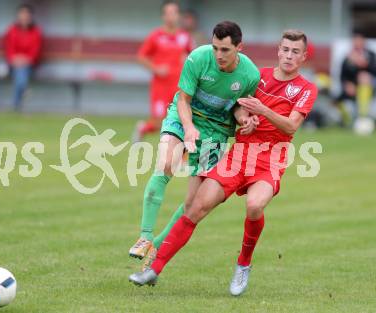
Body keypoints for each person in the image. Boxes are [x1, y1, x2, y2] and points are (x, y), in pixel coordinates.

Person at [129, 30, 318, 297]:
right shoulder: (256, 77)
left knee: (254, 205)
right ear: (278, 50)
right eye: (285, 49)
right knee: (195, 207)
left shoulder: (307, 89)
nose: (289, 56)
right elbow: (237, 107)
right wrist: (246, 120)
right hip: (239, 155)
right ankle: (153, 269)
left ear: (303, 56)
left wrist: (262, 111)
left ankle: (243, 264)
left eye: (295, 52)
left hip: (270, 159)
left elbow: (291, 126)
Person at [128, 21, 260, 271]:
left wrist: (244, 118)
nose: (218, 55)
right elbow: (183, 100)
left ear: (239, 48)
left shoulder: (250, 75)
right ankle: (144, 235)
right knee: (166, 162)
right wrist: (188, 127)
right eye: (215, 48)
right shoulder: (198, 58)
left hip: (216, 130)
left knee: (193, 203)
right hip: (184, 116)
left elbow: (241, 105)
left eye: (225, 50)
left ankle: (155, 246)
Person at [132, 1, 192, 141]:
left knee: (182, 119)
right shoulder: (156, 36)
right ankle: (142, 128)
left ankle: (183, 157)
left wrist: (187, 62)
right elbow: (141, 56)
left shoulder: (185, 36)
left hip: (179, 85)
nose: (171, 16)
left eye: (174, 13)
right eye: (168, 13)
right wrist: (156, 68)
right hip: (160, 86)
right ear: (163, 16)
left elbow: (193, 56)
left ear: (178, 16)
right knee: (158, 122)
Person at [4, 4, 42, 111]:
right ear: (18, 16)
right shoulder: (12, 30)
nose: (24, 17)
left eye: (27, 14)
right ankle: (22, 96)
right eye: (22, 14)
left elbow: (35, 51)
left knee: (21, 72)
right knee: (20, 73)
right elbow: (9, 49)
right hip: (13, 65)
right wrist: (15, 59)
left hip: (30, 66)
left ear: (31, 16)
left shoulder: (36, 32)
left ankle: (16, 105)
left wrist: (26, 60)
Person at [338, 32, 376, 123]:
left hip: (370, 87)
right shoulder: (348, 57)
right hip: (352, 87)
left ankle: (363, 116)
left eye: (359, 40)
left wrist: (363, 64)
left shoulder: (371, 55)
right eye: (355, 41)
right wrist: (347, 84)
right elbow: (343, 75)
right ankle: (348, 122)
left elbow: (374, 71)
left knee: (364, 77)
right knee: (338, 101)